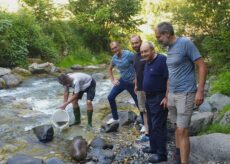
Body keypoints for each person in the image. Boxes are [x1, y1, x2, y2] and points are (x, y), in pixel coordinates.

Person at [155, 22, 207, 164]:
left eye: (158, 36)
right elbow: (171, 74)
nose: (157, 40)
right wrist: (166, 95)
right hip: (172, 94)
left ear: (167, 33)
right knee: (177, 128)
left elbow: (202, 65)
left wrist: (200, 91)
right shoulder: (169, 49)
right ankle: (178, 157)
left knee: (182, 131)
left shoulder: (185, 43)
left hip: (186, 93)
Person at [141, 41, 168, 163]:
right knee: (151, 124)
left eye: (145, 51)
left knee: (158, 126)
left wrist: (166, 97)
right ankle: (153, 147)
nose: (143, 54)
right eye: (142, 52)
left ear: (153, 50)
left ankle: (162, 154)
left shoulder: (162, 60)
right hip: (149, 97)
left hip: (159, 97)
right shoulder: (147, 61)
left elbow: (168, 78)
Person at [107, 41, 138, 124]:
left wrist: (137, 80)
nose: (114, 49)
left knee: (138, 102)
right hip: (122, 81)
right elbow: (109, 69)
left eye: (115, 47)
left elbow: (138, 65)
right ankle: (115, 118)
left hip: (132, 82)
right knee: (110, 97)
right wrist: (113, 80)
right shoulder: (114, 58)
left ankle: (145, 124)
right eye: (112, 49)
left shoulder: (128, 54)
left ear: (119, 46)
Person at [130, 35, 149, 142]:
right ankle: (147, 133)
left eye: (136, 42)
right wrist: (136, 85)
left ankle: (156, 131)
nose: (134, 45)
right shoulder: (134, 57)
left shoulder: (146, 54)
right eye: (132, 43)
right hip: (140, 88)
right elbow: (137, 72)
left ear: (141, 41)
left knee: (153, 110)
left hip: (151, 88)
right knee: (144, 110)